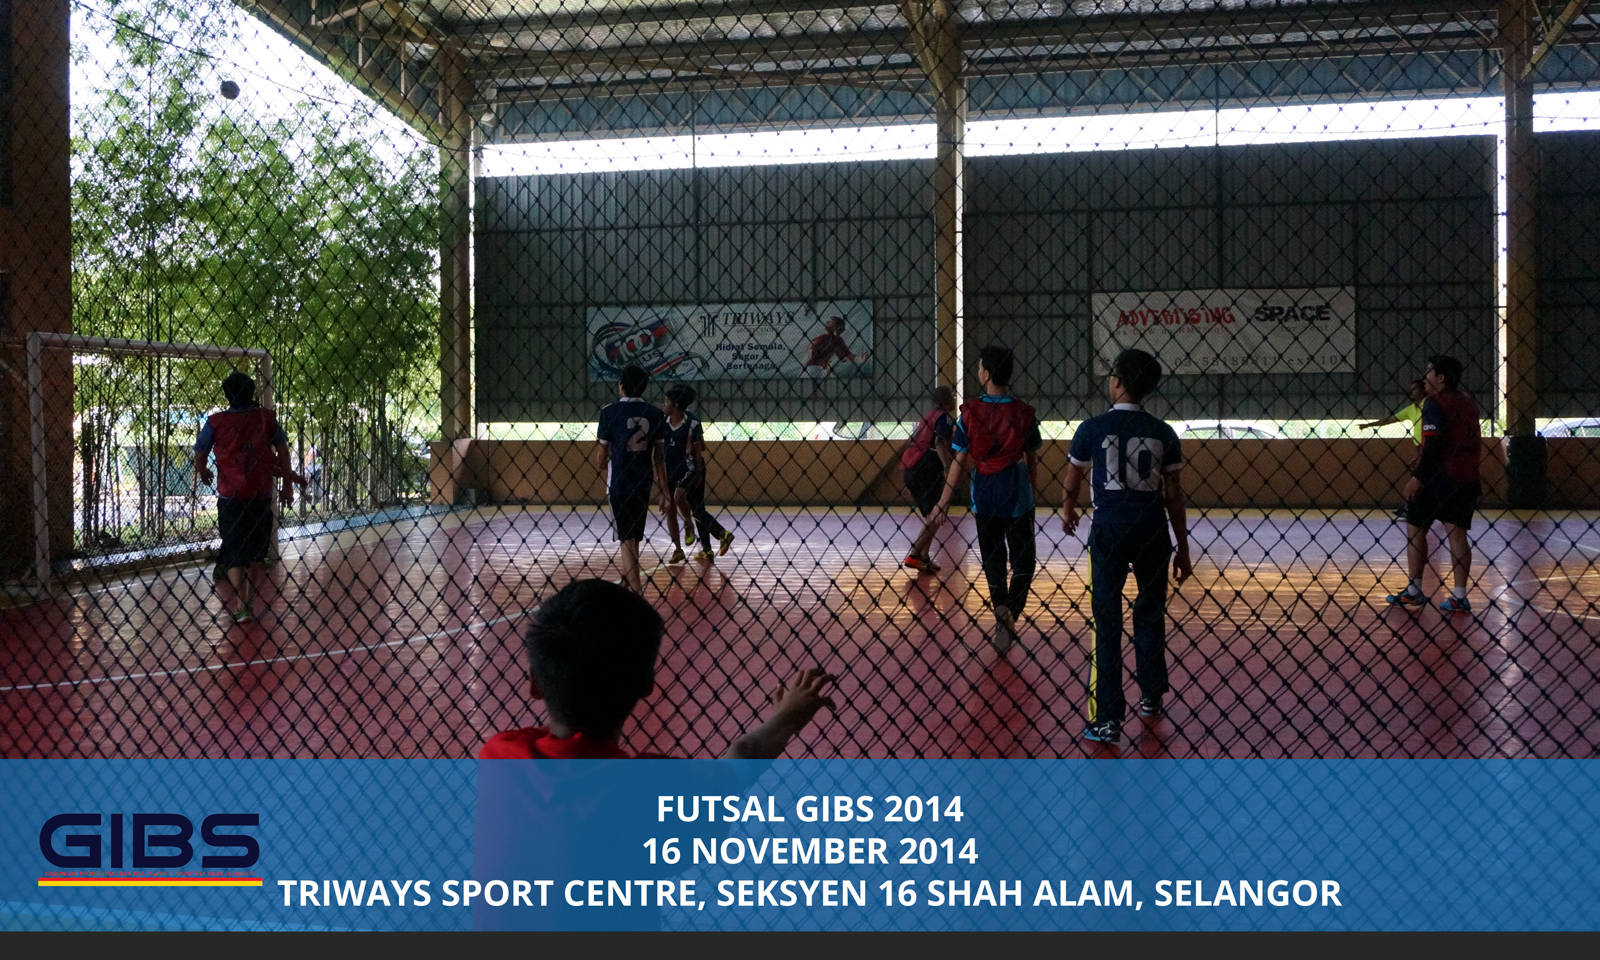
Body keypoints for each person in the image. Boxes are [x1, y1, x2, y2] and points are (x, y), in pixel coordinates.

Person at [480, 579, 837, 760]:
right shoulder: (646, 790)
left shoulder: (500, 753)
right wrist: (786, 718)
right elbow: (742, 756)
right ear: (647, 684)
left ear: (534, 683)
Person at [1061, 349, 1192, 744]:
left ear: (1116, 381)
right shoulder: (1162, 433)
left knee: (1106, 620)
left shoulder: (1092, 428)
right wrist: (1182, 546)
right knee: (1149, 612)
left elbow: (1073, 476)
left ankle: (1107, 718)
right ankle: (1151, 695)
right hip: (1152, 530)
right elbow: (1174, 495)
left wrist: (1068, 508)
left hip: (1109, 529)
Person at [930, 346, 1041, 654]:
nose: (978, 371)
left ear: (987, 374)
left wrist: (943, 500)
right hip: (1017, 495)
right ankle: (1010, 614)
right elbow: (1031, 459)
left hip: (985, 494)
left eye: (980, 367)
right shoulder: (1024, 413)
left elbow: (959, 460)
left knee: (993, 559)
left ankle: (1001, 611)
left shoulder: (970, 413)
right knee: (1023, 562)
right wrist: (1032, 490)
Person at [192, 370, 305, 624]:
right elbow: (282, 453)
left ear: (227, 395)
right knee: (256, 554)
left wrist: (203, 470)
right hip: (259, 496)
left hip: (230, 497)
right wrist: (289, 484)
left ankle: (241, 604)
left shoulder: (216, 422)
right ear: (252, 392)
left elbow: (199, 452)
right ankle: (248, 602)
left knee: (234, 551)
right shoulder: (265, 418)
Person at [1385, 355, 1481, 614]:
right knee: (1457, 535)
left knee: (1415, 530)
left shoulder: (1434, 403)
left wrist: (1418, 477)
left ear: (1441, 377)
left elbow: (1434, 445)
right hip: (1467, 478)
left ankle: (1414, 591)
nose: (1424, 376)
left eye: (1429, 371)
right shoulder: (1468, 402)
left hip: (1438, 480)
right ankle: (1459, 596)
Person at [596, 364, 669, 594]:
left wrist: (602, 461)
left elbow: (601, 455)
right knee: (634, 536)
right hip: (643, 482)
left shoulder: (609, 412)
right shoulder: (655, 414)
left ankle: (636, 590)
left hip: (619, 483)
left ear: (621, 386)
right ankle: (628, 580)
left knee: (626, 537)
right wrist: (664, 491)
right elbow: (659, 458)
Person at [660, 384, 735, 564]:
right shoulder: (662, 423)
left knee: (681, 499)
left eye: (666, 401)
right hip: (670, 471)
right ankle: (705, 549)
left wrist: (699, 473)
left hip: (691, 470)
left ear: (675, 404)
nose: (664, 404)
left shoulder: (692, 422)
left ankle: (711, 531)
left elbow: (700, 449)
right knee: (688, 509)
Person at [900, 385, 957, 574]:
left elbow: (912, 442)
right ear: (946, 400)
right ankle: (914, 554)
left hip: (912, 468)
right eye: (952, 396)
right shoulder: (944, 418)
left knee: (932, 516)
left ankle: (924, 557)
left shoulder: (928, 417)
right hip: (924, 469)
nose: (954, 399)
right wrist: (947, 466)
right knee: (938, 512)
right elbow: (939, 442)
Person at [1360, 378, 1428, 520]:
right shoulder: (1410, 410)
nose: (1412, 392)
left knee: (1418, 479)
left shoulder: (1429, 405)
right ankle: (1413, 507)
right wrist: (1368, 425)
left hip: (1429, 447)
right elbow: (1390, 420)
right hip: (1420, 449)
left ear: (1423, 390)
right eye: (1411, 390)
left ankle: (1410, 508)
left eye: (1415, 389)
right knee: (1421, 479)